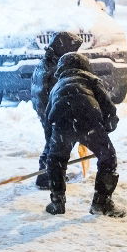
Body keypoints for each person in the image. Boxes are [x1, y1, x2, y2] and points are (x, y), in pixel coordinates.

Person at [44, 52, 123, 217]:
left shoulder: (56, 87)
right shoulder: (92, 80)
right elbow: (109, 110)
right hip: (89, 121)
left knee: (56, 160)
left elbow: (47, 119)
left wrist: (52, 143)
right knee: (108, 159)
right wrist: (104, 133)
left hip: (62, 123)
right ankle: (101, 203)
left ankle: (57, 202)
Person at [30, 31, 84, 190]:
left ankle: (50, 173)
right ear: (64, 48)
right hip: (52, 111)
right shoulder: (55, 67)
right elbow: (57, 91)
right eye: (72, 50)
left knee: (53, 142)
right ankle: (47, 177)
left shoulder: (47, 61)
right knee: (57, 144)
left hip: (46, 109)